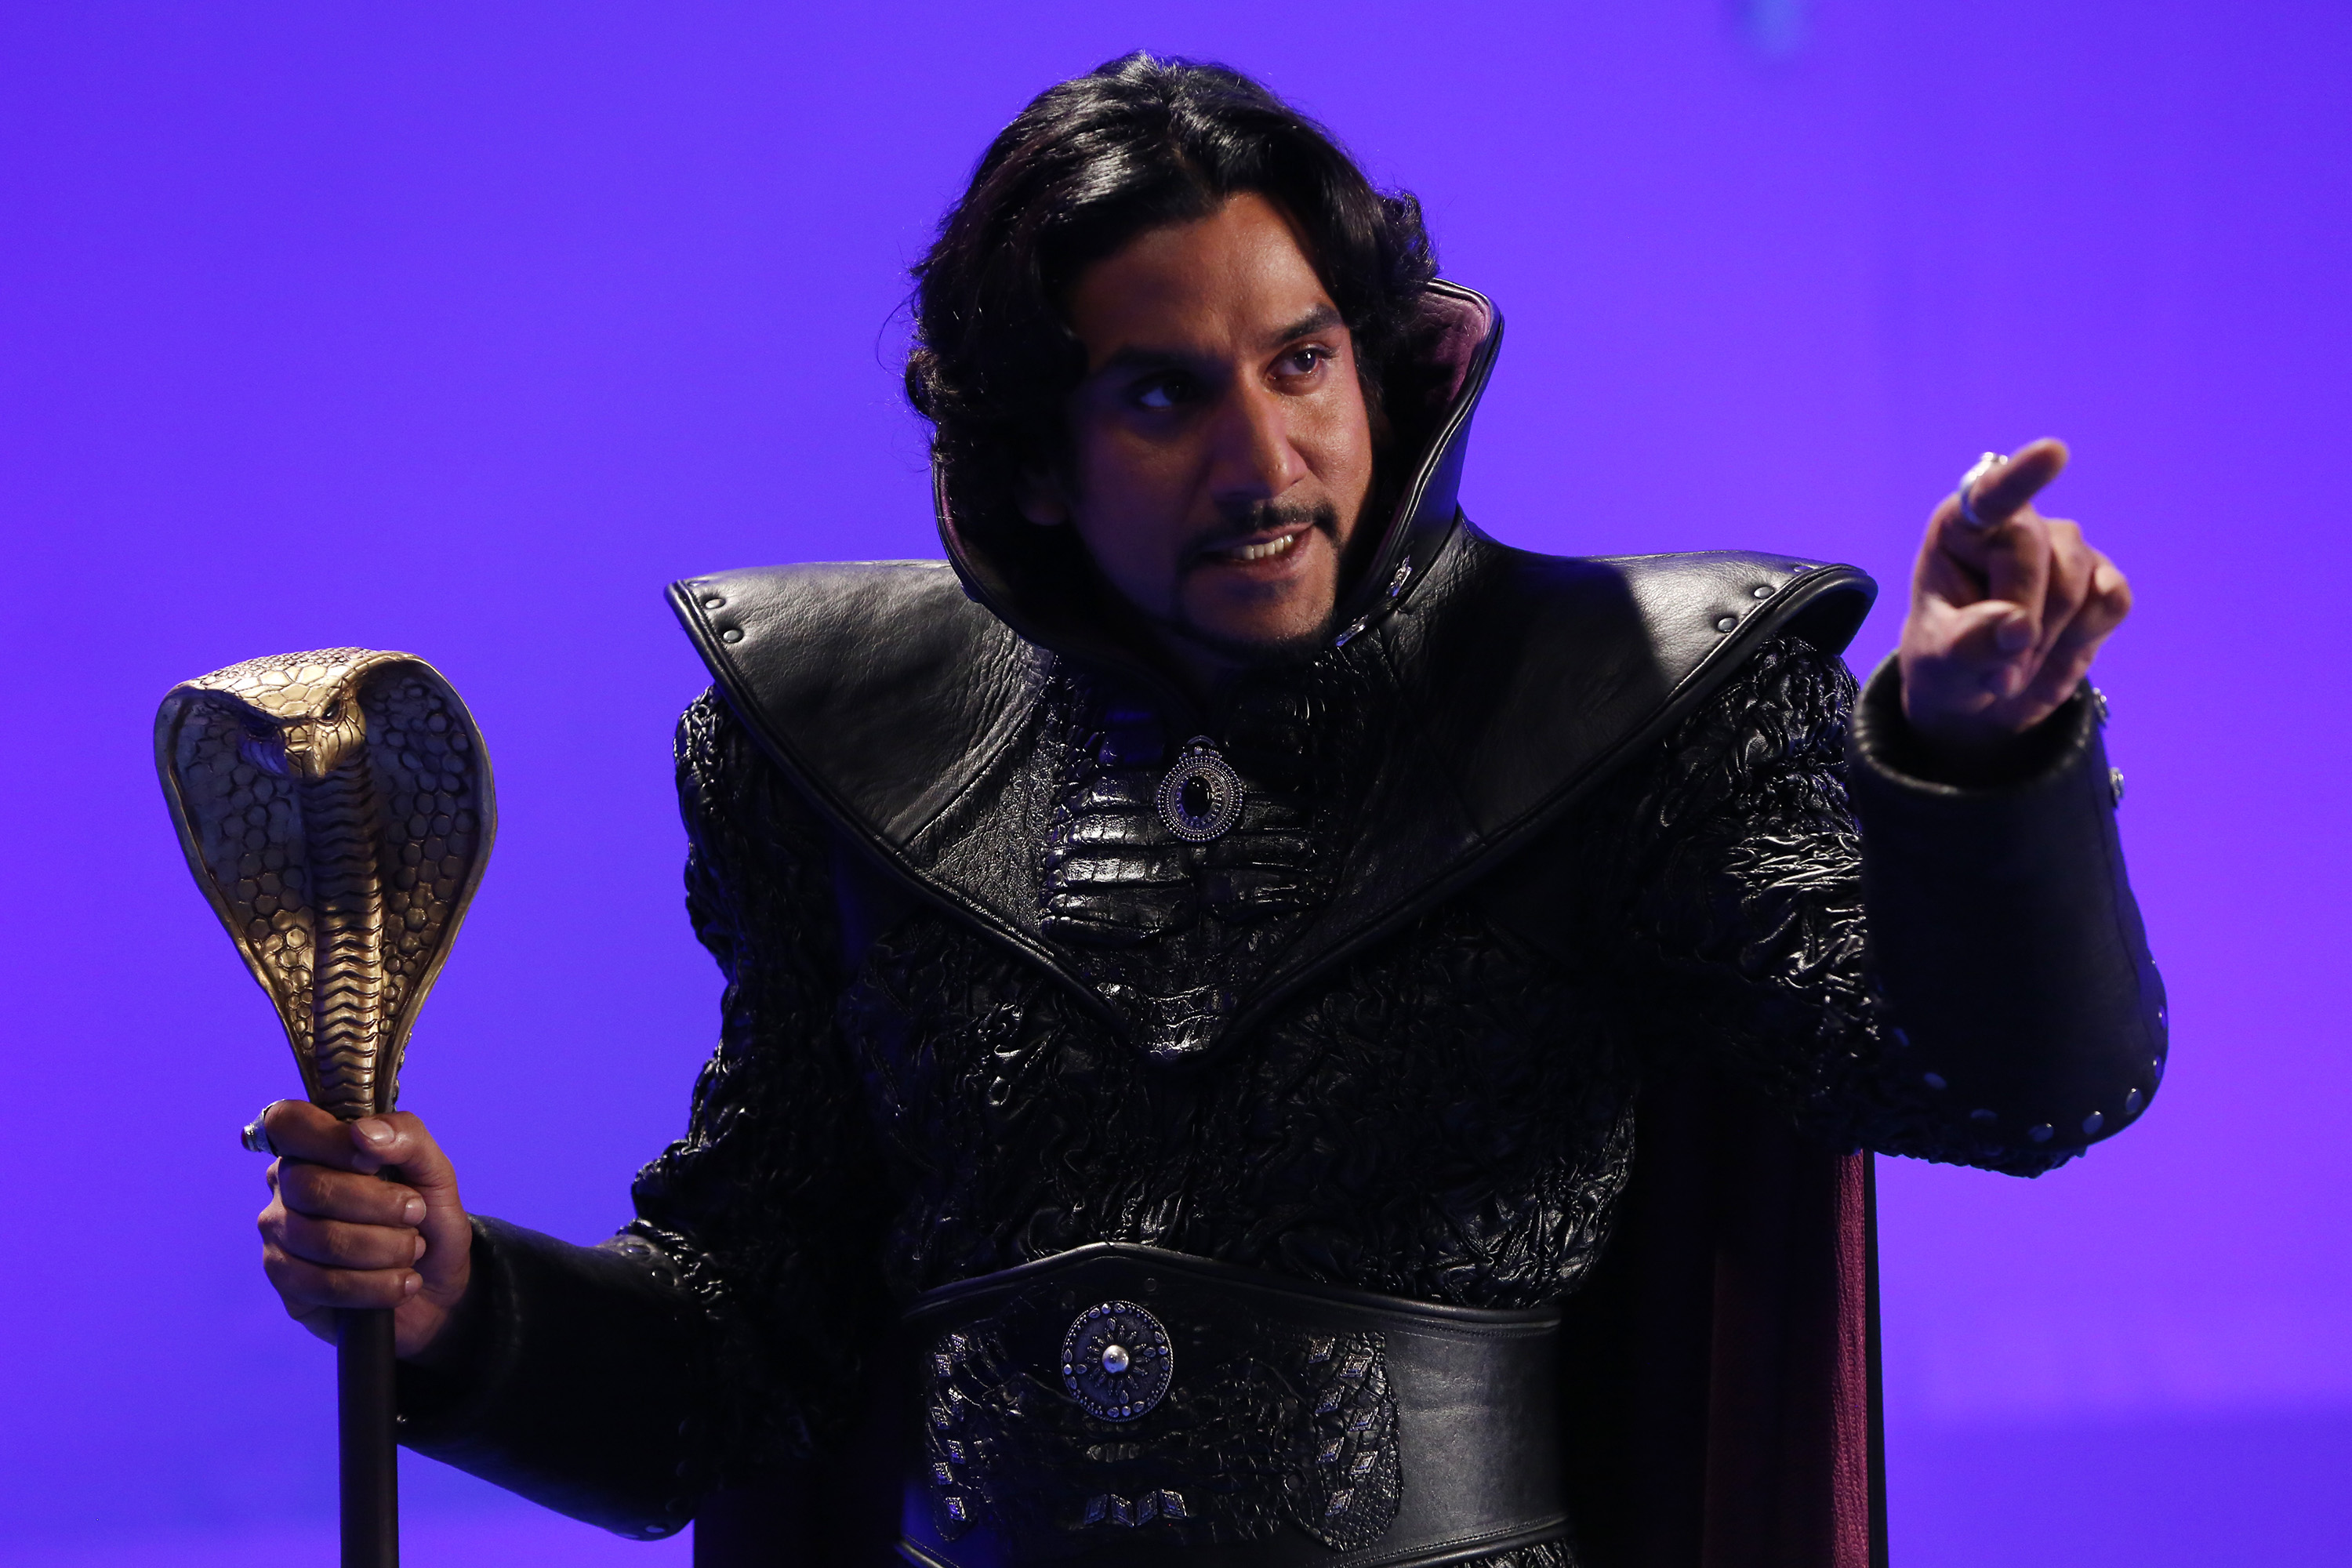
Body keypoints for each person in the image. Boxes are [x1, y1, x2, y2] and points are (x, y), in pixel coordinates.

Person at [249, 53, 2162, 1568]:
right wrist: (462, 1308)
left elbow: (2003, 1088)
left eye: (1302, 361)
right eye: (1164, 397)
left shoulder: (1626, 709)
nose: (1268, 462)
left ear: (1380, 363)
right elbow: (747, 1355)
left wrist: (1973, 753)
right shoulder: (829, 753)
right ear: (1034, 460)